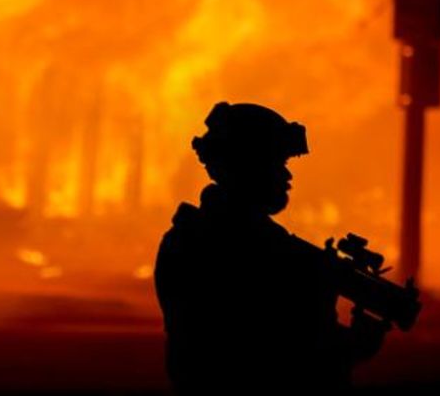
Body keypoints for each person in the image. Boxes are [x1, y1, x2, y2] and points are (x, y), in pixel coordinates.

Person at [154, 102, 386, 394]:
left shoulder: (191, 236)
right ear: (250, 168)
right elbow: (273, 355)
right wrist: (337, 325)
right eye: (278, 164)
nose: (287, 177)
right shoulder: (244, 248)